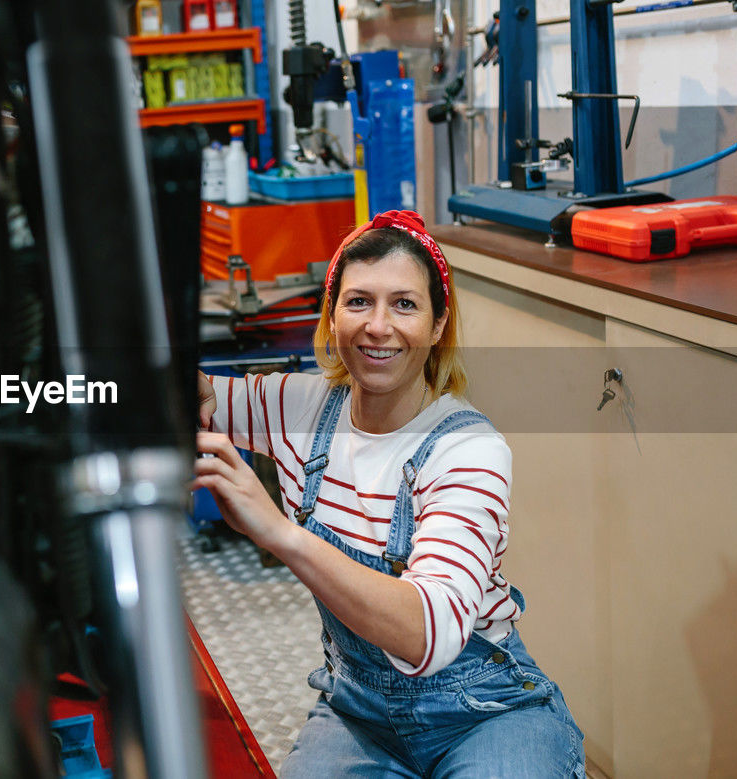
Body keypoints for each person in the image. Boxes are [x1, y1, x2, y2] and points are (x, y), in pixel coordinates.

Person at [193, 210, 585, 777]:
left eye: (404, 304)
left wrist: (279, 534)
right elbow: (190, 392)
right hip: (360, 714)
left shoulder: (469, 449)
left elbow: (431, 632)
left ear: (437, 325)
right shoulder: (299, 408)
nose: (378, 326)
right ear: (331, 316)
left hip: (486, 710)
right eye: (358, 302)